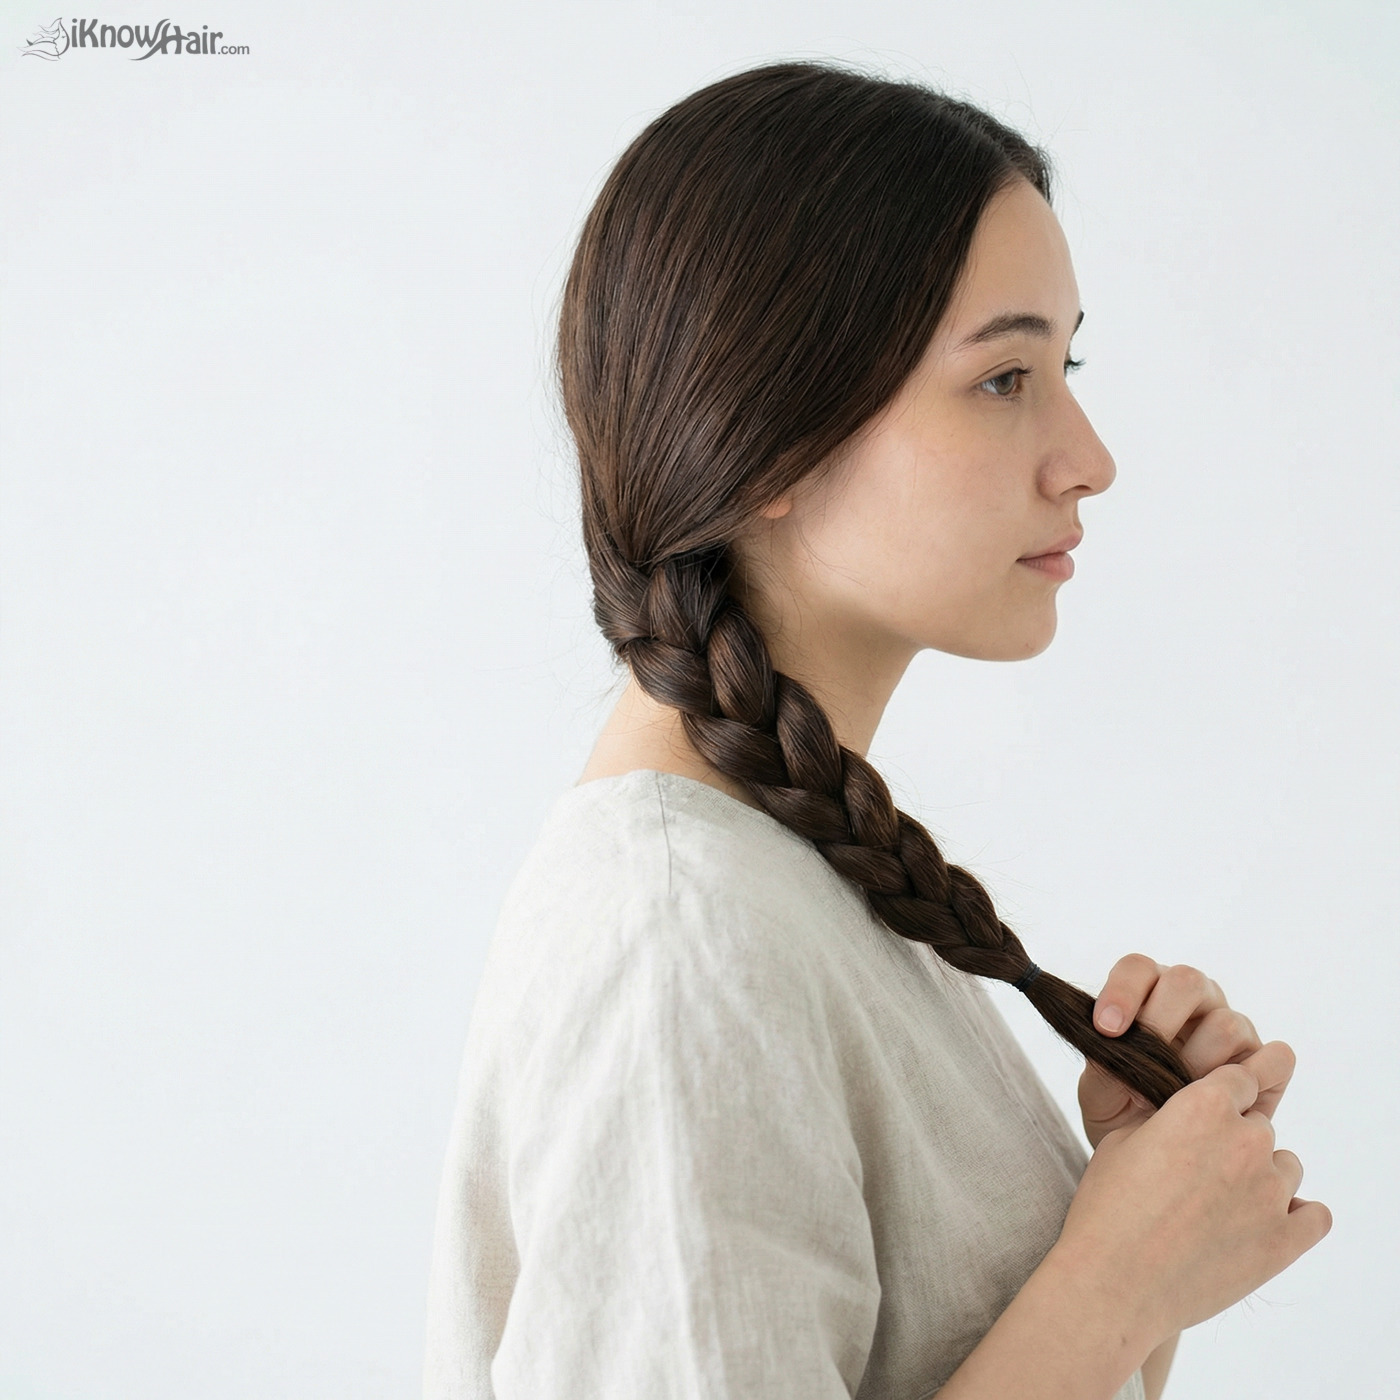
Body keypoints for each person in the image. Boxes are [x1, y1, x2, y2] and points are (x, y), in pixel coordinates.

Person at [422, 60, 1332, 1399]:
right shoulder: (676, 935)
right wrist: (1111, 1282)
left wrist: (1138, 1221)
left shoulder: (784, 876)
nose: (1087, 453)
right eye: (1004, 377)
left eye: (1062, 365)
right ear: (770, 432)